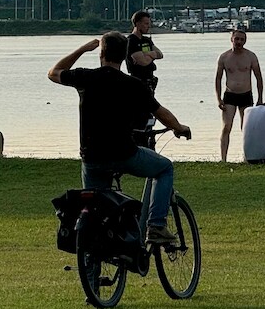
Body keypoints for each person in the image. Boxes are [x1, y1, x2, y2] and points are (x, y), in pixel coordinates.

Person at [49, 32, 191, 244]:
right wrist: (179, 128)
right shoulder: (133, 85)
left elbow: (54, 72)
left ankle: (93, 272)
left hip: (92, 158)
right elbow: (161, 112)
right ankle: (156, 225)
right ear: (124, 56)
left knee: (96, 210)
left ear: (101, 53)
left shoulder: (86, 78)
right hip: (124, 154)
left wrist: (81, 49)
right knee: (164, 168)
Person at [215, 28, 264, 162]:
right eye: (237, 39)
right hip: (230, 95)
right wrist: (218, 98)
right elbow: (218, 79)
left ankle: (247, 157)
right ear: (232, 39)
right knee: (226, 127)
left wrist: (260, 98)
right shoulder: (224, 57)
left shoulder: (251, 56)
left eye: (242, 39)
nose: (239, 42)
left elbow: (258, 77)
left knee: (246, 128)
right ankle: (223, 159)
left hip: (246, 95)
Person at [126, 10, 163, 94]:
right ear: (138, 24)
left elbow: (160, 54)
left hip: (150, 80)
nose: (149, 26)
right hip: (138, 80)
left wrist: (149, 54)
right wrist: (153, 55)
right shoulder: (131, 41)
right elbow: (143, 62)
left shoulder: (146, 40)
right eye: (146, 24)